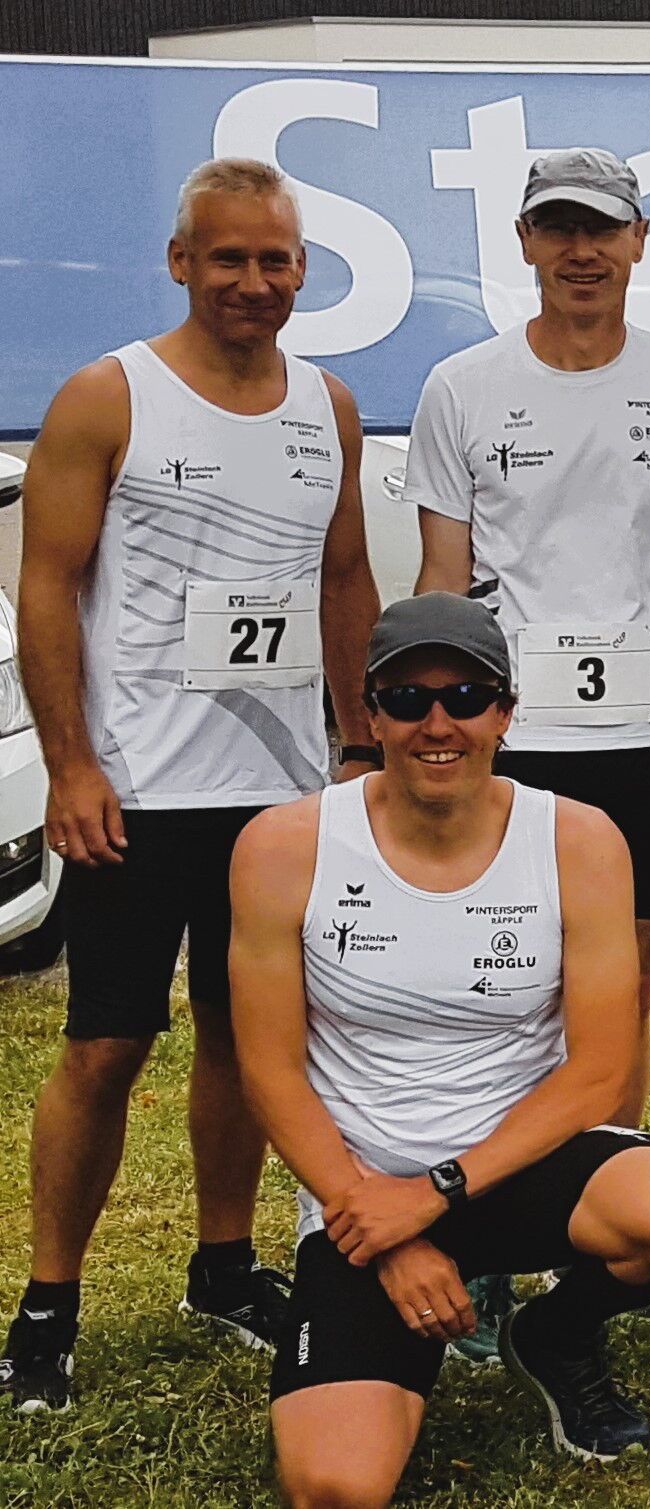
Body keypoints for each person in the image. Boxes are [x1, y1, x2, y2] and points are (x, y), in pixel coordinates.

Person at [2, 158, 381, 1414]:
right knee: (106, 1046)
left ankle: (223, 1265)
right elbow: (44, 584)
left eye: (276, 261)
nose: (253, 283)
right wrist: (70, 764)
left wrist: (363, 741)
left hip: (273, 802)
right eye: (228, 258)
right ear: (180, 263)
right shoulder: (109, 396)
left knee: (248, 1039)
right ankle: (48, 1304)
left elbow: (340, 583)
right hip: (135, 796)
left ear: (302, 273)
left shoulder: (324, 405)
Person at [231, 593, 650, 1502]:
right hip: (362, 1195)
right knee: (334, 1487)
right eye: (408, 699)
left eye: (464, 693)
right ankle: (406, 1312)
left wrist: (441, 1193)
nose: (437, 722)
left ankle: (556, 1332)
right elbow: (268, 1068)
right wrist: (383, 1228)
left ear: (505, 710)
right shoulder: (283, 845)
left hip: (509, 1168)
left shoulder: (577, 840)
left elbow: (601, 1068)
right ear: (369, 714)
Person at [406, 147, 650, 1349]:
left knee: (622, 986)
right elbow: (444, 580)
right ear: (526, 243)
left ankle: (583, 1222)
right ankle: (478, 1229)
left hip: (645, 732)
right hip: (513, 733)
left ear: (639, 242)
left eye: (602, 230)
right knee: (498, 982)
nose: (581, 252)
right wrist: (437, 728)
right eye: (558, 229)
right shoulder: (463, 385)